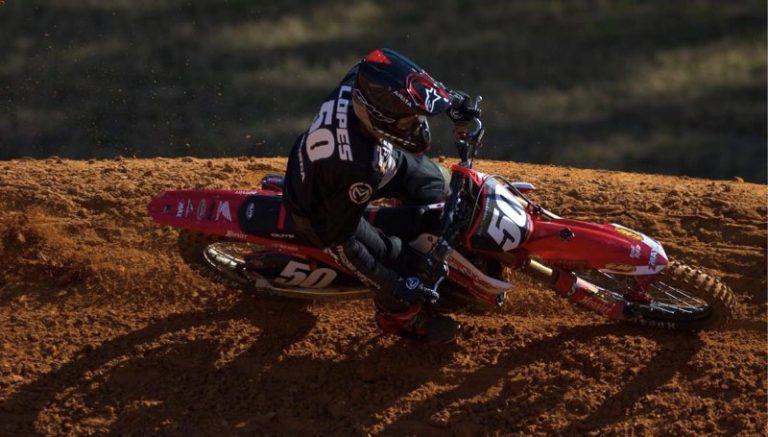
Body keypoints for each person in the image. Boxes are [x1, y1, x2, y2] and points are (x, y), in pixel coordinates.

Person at [283, 48, 480, 343]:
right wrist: (395, 284)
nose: (417, 126)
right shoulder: (358, 168)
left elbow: (402, 80)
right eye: (406, 122)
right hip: (324, 213)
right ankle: (399, 317)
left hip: (369, 159)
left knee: (439, 183)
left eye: (415, 117)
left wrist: (452, 103)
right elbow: (340, 241)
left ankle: (409, 228)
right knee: (401, 267)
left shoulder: (361, 80)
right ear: (378, 120)